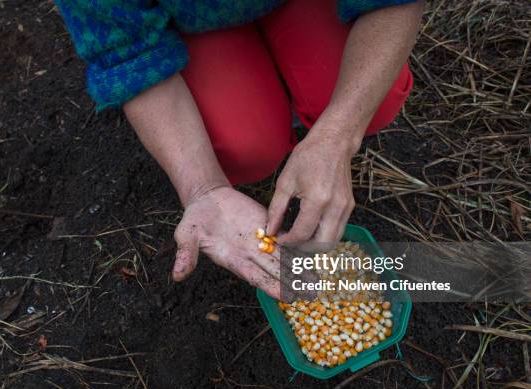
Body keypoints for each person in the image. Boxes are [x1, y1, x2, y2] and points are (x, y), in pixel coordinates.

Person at [54, 0, 424, 298]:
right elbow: (127, 54)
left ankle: (296, 105)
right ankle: (272, 102)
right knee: (241, 145)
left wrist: (338, 134)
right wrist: (202, 187)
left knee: (374, 96)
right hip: (192, 19)